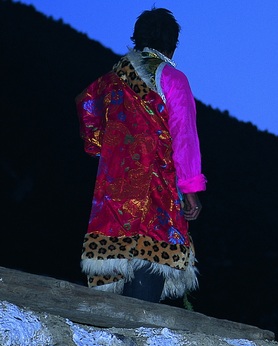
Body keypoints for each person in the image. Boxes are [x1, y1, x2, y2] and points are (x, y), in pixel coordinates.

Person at [75, 8, 206, 303]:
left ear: (137, 39)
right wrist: (190, 188)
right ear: (173, 44)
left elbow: (86, 109)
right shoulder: (172, 78)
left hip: (114, 189)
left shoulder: (109, 81)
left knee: (114, 261)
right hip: (156, 185)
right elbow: (183, 135)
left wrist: (106, 151)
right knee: (150, 254)